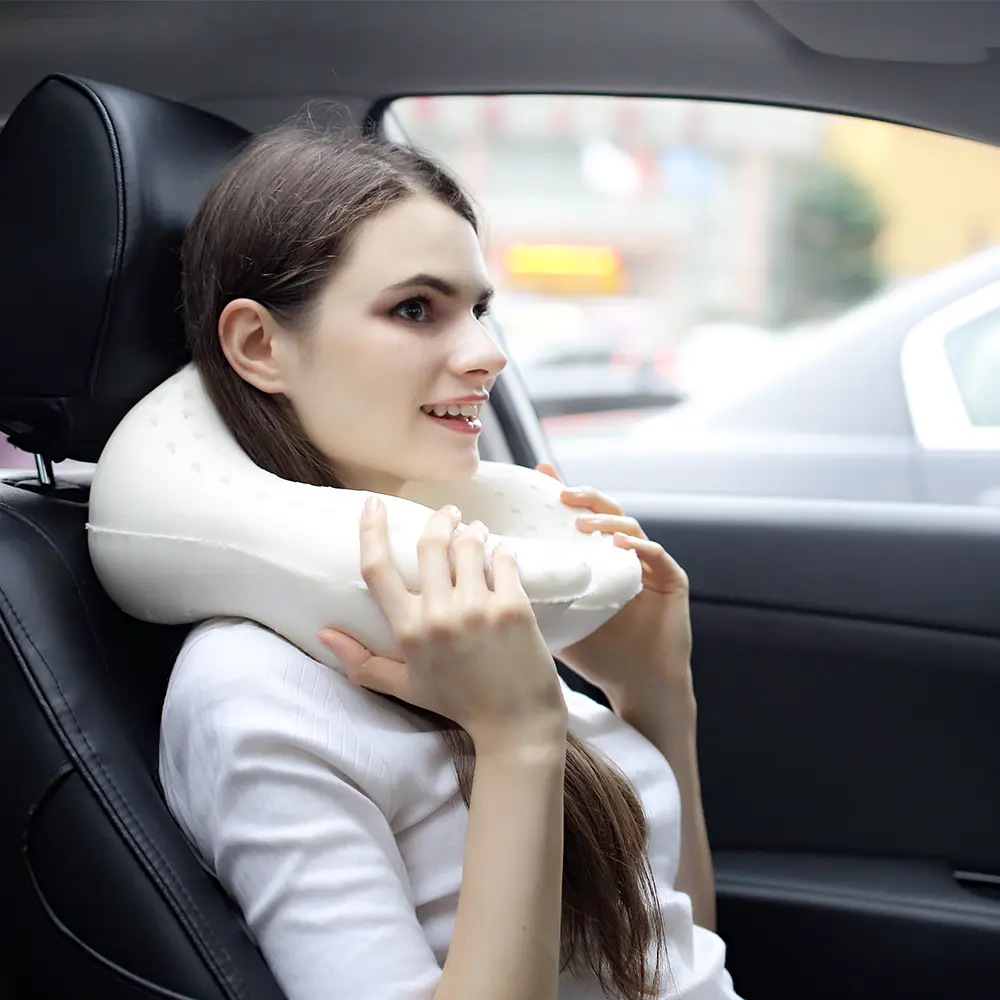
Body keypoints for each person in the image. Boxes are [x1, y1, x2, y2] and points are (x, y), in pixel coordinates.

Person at [158, 126, 740, 1000]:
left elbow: (671, 953)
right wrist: (517, 739)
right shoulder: (251, 689)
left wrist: (657, 690)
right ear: (259, 347)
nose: (487, 353)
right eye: (415, 310)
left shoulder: (460, 594)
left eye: (477, 309)